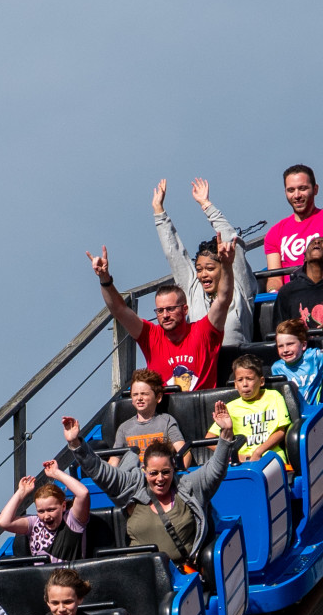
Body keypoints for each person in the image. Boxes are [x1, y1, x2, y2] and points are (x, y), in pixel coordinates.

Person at [58, 412, 235, 566]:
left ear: (174, 468)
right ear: (144, 470)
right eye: (153, 473)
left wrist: (226, 434)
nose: (160, 479)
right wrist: (76, 444)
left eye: (166, 472)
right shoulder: (133, 487)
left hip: (181, 574)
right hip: (140, 574)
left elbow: (215, 469)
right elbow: (101, 471)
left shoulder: (188, 486)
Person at [89, 242, 231, 391]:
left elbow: (223, 299)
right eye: (160, 310)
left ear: (185, 309)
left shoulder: (204, 331)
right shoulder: (150, 335)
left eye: (170, 309)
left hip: (200, 410)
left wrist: (227, 266)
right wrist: (105, 279)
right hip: (162, 412)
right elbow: (119, 310)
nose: (165, 315)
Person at [153, 178, 257, 347]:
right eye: (199, 269)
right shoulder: (194, 291)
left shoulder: (238, 286)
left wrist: (206, 205)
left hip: (238, 366)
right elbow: (175, 254)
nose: (203, 274)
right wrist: (159, 212)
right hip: (204, 370)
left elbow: (232, 241)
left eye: (209, 268)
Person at [0, 460, 93, 568]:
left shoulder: (73, 520)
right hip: (43, 581)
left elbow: (83, 493)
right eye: (41, 511)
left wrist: (56, 473)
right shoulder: (34, 523)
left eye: (51, 510)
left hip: (69, 580)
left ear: (63, 506)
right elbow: (4, 522)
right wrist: (21, 493)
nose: (46, 516)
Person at [262, 166, 323, 276]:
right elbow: (274, 278)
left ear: (315, 189)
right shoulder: (274, 233)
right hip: (289, 292)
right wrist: (273, 291)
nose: (297, 195)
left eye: (302, 188)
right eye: (291, 190)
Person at [268, 310, 323, 415]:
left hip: (315, 415)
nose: (285, 350)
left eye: (290, 344)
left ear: (303, 345)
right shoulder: (276, 368)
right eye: (280, 346)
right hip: (292, 416)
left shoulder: (314, 357)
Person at [222, 352, 295, 467]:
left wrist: (258, 452)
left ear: (261, 381)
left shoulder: (273, 396)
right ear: (235, 384)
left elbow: (281, 431)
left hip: (271, 456)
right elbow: (210, 439)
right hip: (241, 461)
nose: (245, 384)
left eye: (249, 379)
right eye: (240, 380)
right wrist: (234, 454)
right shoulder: (230, 407)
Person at [113, 367, 189, 467]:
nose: (139, 398)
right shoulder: (124, 428)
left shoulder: (166, 421)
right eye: (135, 394)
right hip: (134, 478)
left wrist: (178, 473)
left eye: (144, 394)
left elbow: (184, 453)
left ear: (158, 398)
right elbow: (114, 461)